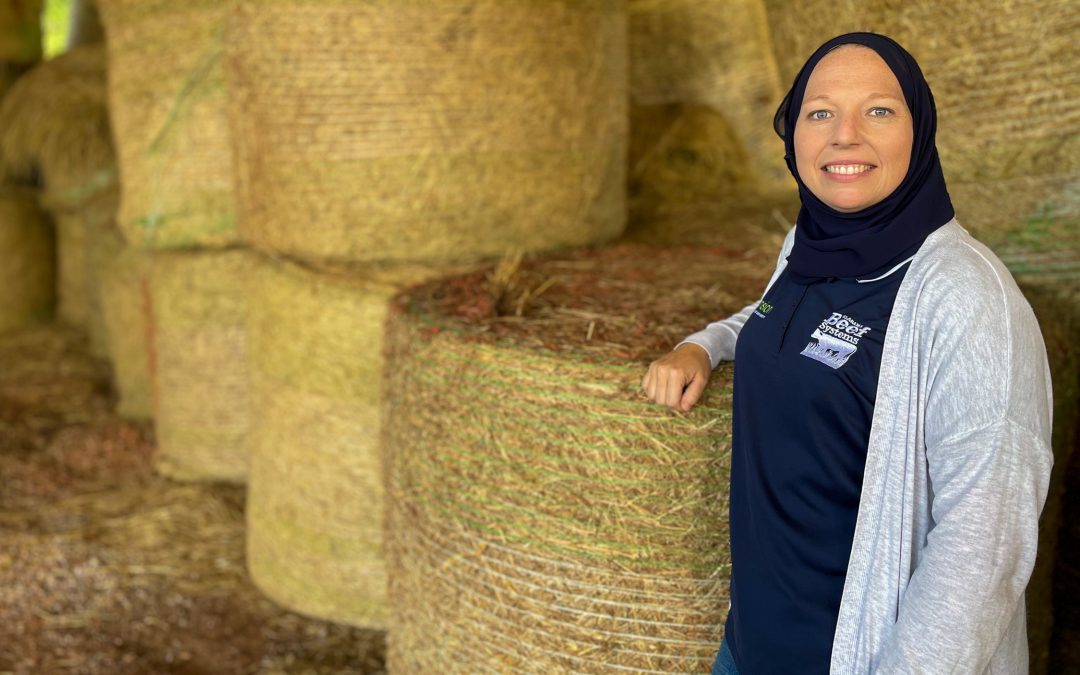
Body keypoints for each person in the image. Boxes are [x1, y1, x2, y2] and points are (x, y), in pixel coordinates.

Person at [641, 33, 1053, 674]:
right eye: (820, 112)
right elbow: (781, 319)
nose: (844, 135)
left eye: (879, 110)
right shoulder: (812, 243)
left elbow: (984, 548)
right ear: (794, 135)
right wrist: (707, 344)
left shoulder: (967, 299)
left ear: (920, 132)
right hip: (748, 649)